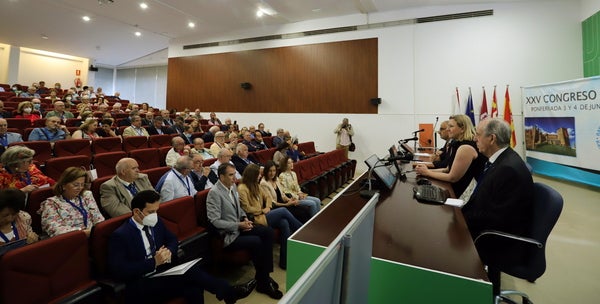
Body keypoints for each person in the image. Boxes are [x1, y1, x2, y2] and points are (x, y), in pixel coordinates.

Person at [108, 190, 251, 304]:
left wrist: (169, 251)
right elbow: (120, 270)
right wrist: (154, 262)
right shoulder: (121, 235)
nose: (155, 215)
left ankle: (228, 293)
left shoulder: (156, 222)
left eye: (157, 210)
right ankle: (229, 292)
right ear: (137, 212)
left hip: (163, 272)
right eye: (151, 212)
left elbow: (172, 239)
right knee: (191, 275)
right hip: (142, 282)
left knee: (194, 287)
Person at [462, 118, 534, 267]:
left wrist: (460, 219)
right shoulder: (500, 160)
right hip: (491, 227)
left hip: (499, 240)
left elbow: (496, 218)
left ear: (492, 138)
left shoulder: (508, 169)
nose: (475, 138)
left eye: (478, 134)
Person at [206, 163, 283, 299]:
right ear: (221, 176)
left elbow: (239, 209)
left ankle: (263, 277)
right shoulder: (214, 193)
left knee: (268, 232)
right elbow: (215, 221)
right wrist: (238, 225)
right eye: (230, 175)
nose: (234, 177)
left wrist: (244, 217)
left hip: (240, 226)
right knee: (256, 241)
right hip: (229, 235)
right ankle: (264, 281)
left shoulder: (233, 186)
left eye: (234, 174)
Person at [238, 164, 302, 269]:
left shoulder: (255, 185)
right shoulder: (242, 188)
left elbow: (267, 197)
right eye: (258, 174)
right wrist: (262, 210)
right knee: (283, 210)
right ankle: (301, 230)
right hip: (255, 219)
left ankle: (284, 261)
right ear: (252, 175)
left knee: (284, 223)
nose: (260, 176)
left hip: (263, 214)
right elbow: (247, 209)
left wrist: (268, 206)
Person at [414, 114, 486, 199]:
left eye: (451, 126)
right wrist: (425, 170)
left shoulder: (466, 147)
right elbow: (447, 169)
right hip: (456, 189)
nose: (447, 129)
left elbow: (452, 177)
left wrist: (428, 173)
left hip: (464, 196)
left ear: (462, 129)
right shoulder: (458, 144)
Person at [39, 167, 104, 237]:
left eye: (82, 184)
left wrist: (98, 232)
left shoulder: (86, 195)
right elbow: (56, 230)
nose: (80, 188)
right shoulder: (51, 203)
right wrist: (86, 233)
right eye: (76, 185)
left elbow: (98, 219)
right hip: (71, 241)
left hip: (94, 236)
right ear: (63, 185)